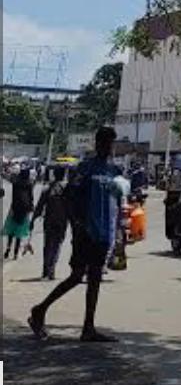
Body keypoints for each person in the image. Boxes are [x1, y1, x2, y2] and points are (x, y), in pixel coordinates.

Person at [29, 126, 125, 342]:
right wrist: (78, 224)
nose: (107, 147)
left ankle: (88, 327)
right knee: (77, 276)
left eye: (110, 143)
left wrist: (119, 231)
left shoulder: (114, 171)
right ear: (97, 144)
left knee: (95, 278)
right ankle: (40, 310)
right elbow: (69, 197)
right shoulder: (85, 168)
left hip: (104, 233)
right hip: (86, 232)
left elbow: (118, 202)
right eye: (104, 142)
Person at [31, 166, 69, 280]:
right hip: (62, 221)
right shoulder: (67, 189)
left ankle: (45, 271)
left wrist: (33, 220)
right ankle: (51, 270)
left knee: (47, 245)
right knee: (57, 245)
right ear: (64, 175)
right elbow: (72, 207)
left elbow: (39, 206)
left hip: (49, 220)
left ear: (54, 174)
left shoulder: (47, 188)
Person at [3, 168, 35, 260]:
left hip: (14, 209)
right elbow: (31, 198)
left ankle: (8, 249)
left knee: (11, 232)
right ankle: (16, 253)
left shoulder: (16, 183)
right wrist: (31, 208)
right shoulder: (29, 184)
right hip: (24, 211)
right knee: (19, 234)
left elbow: (9, 177)